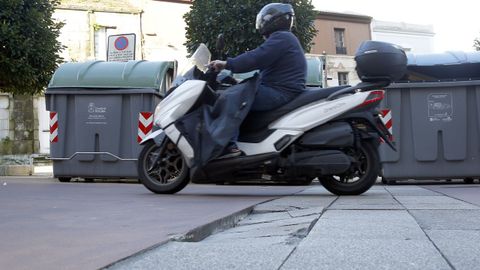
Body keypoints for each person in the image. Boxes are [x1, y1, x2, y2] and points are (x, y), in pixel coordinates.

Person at [210, 3, 307, 158]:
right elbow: (265, 66)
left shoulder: (282, 37)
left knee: (230, 97)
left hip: (280, 92)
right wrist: (238, 81)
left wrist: (227, 64)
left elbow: (256, 57)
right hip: (280, 89)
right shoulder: (285, 39)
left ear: (270, 21)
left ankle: (229, 147)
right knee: (239, 90)